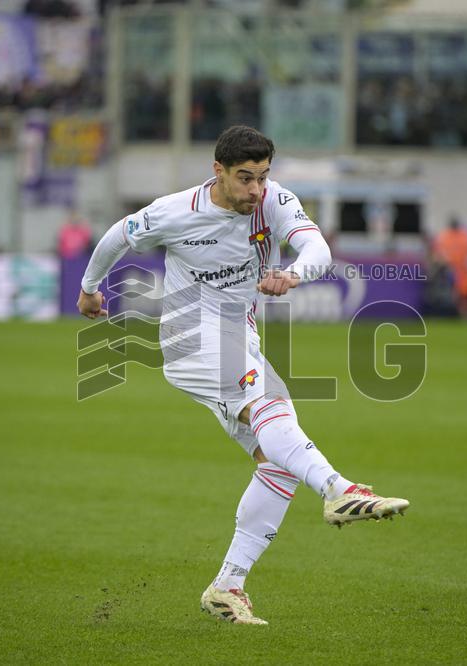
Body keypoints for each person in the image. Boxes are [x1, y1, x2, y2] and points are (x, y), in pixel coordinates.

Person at [77, 126, 409, 626]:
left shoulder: (272, 201)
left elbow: (316, 247)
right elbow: (117, 235)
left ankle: (228, 585)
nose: (256, 190)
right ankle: (338, 489)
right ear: (219, 172)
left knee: (278, 457)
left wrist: (295, 273)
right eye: (245, 178)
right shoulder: (176, 212)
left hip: (239, 337)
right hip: (191, 335)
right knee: (274, 406)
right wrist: (88, 289)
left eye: (263, 177)